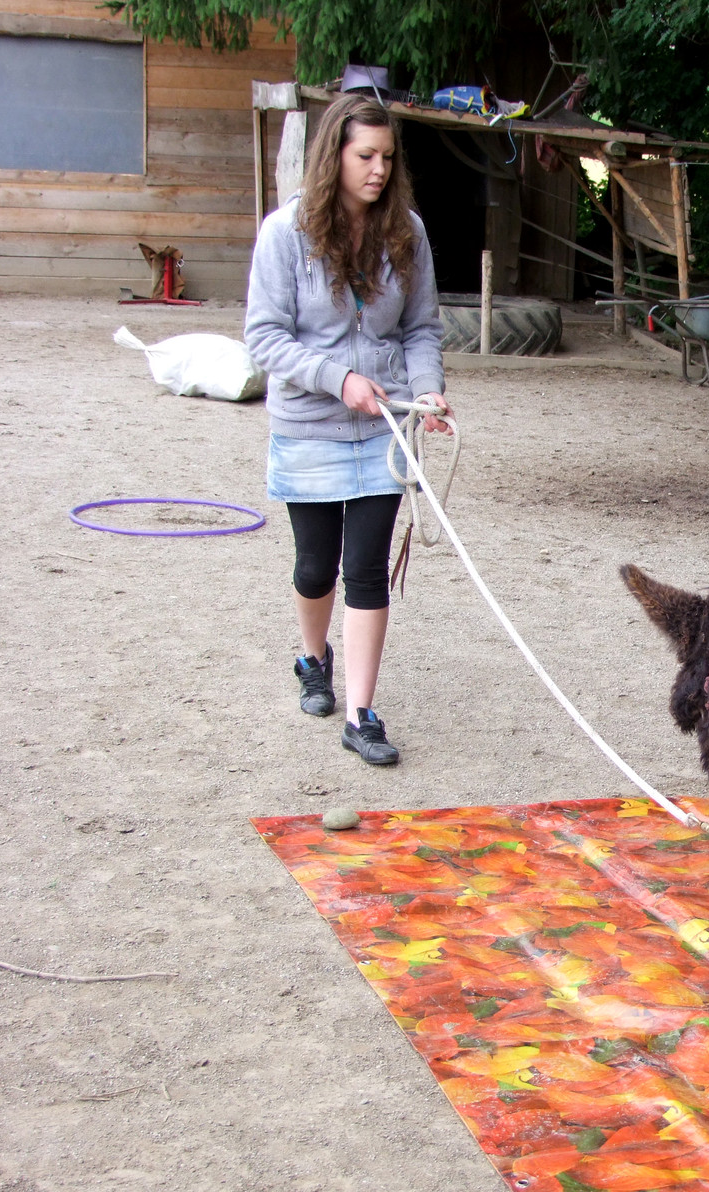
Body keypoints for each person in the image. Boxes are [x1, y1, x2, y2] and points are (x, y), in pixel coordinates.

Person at [245, 94, 450, 766]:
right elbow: (264, 339)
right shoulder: (285, 234)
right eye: (366, 156)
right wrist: (339, 380)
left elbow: (421, 327)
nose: (379, 170)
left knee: (366, 570)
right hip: (309, 426)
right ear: (334, 155)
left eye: (388, 158)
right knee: (315, 567)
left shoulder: (408, 233)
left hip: (383, 428)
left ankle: (361, 714)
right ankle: (313, 659)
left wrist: (426, 390)